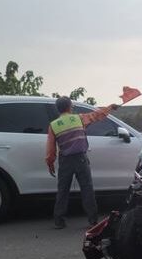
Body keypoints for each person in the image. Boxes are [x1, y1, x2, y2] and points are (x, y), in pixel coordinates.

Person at [46, 97, 119, 228]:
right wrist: (110, 108)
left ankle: (59, 221)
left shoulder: (53, 125)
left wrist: (50, 163)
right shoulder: (79, 119)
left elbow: (51, 149)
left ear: (58, 109)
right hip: (81, 159)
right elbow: (97, 115)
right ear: (69, 107)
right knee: (87, 190)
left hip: (65, 161)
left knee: (62, 191)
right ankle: (92, 220)